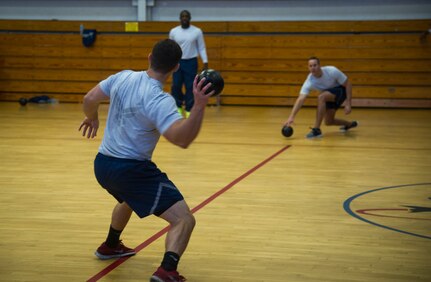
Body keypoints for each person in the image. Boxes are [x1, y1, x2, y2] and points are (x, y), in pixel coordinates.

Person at [78, 39, 214, 282]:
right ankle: (167, 271)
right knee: (184, 219)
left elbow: (89, 99)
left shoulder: (122, 77)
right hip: (131, 170)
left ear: (149, 57)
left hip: (102, 165)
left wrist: (93, 118)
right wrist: (199, 105)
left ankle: (110, 245)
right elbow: (181, 139)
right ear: (175, 68)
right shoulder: (159, 100)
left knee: (130, 197)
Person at [284, 56, 358, 138]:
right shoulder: (309, 81)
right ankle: (350, 124)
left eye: (315, 65)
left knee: (321, 97)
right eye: (310, 66)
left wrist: (348, 103)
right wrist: (291, 117)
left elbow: (348, 84)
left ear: (319, 65)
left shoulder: (332, 71)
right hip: (329, 96)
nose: (313, 68)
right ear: (308, 68)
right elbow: (300, 99)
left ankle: (317, 129)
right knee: (329, 121)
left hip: (341, 91)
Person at [169, 10, 208, 118]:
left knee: (190, 87)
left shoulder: (197, 31)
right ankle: (178, 107)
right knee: (176, 85)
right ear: (180, 18)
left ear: (190, 18)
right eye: (183, 16)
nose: (185, 18)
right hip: (177, 62)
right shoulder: (174, 31)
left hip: (191, 62)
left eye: (186, 16)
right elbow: (170, 47)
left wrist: (205, 61)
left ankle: (189, 109)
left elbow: (201, 47)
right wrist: (170, 61)